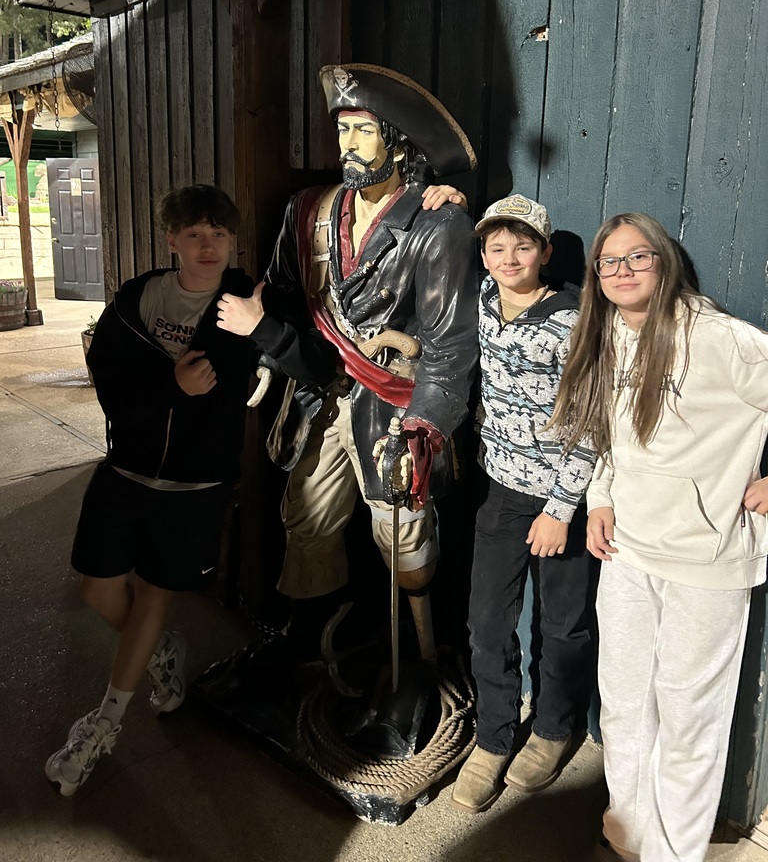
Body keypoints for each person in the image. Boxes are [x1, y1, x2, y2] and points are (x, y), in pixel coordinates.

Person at [43, 184, 328, 797]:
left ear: (232, 241)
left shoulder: (252, 300)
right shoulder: (137, 298)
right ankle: (159, 650)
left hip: (196, 483)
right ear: (171, 239)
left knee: (151, 597)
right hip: (124, 470)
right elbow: (110, 380)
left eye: (219, 234)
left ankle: (104, 724)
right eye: (194, 234)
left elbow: (316, 365)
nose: (208, 245)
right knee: (97, 591)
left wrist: (267, 334)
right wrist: (172, 386)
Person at [217, 63, 479, 661]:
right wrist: (269, 352)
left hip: (392, 404)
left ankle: (422, 663)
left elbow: (450, 346)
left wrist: (425, 424)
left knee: (403, 537)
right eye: (343, 132)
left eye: (364, 132)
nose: (349, 146)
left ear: (397, 140)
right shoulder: (308, 209)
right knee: (305, 519)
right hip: (319, 392)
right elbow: (284, 291)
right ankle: (305, 642)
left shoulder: (439, 224)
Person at [548, 212, 768, 862]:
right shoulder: (612, 334)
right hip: (629, 553)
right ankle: (626, 840)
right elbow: (615, 436)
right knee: (621, 705)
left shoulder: (719, 338)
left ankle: (673, 856)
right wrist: (601, 497)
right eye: (609, 262)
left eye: (636, 257)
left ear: (664, 262)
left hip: (707, 560)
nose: (622, 271)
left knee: (688, 720)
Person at [450, 194, 598, 813]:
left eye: (523, 246)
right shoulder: (483, 302)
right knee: (487, 621)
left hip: (564, 495)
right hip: (502, 491)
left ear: (543, 252)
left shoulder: (574, 318)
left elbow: (592, 419)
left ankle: (554, 730)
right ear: (483, 256)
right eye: (496, 247)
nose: (509, 258)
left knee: (561, 625)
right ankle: (493, 737)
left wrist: (560, 509)